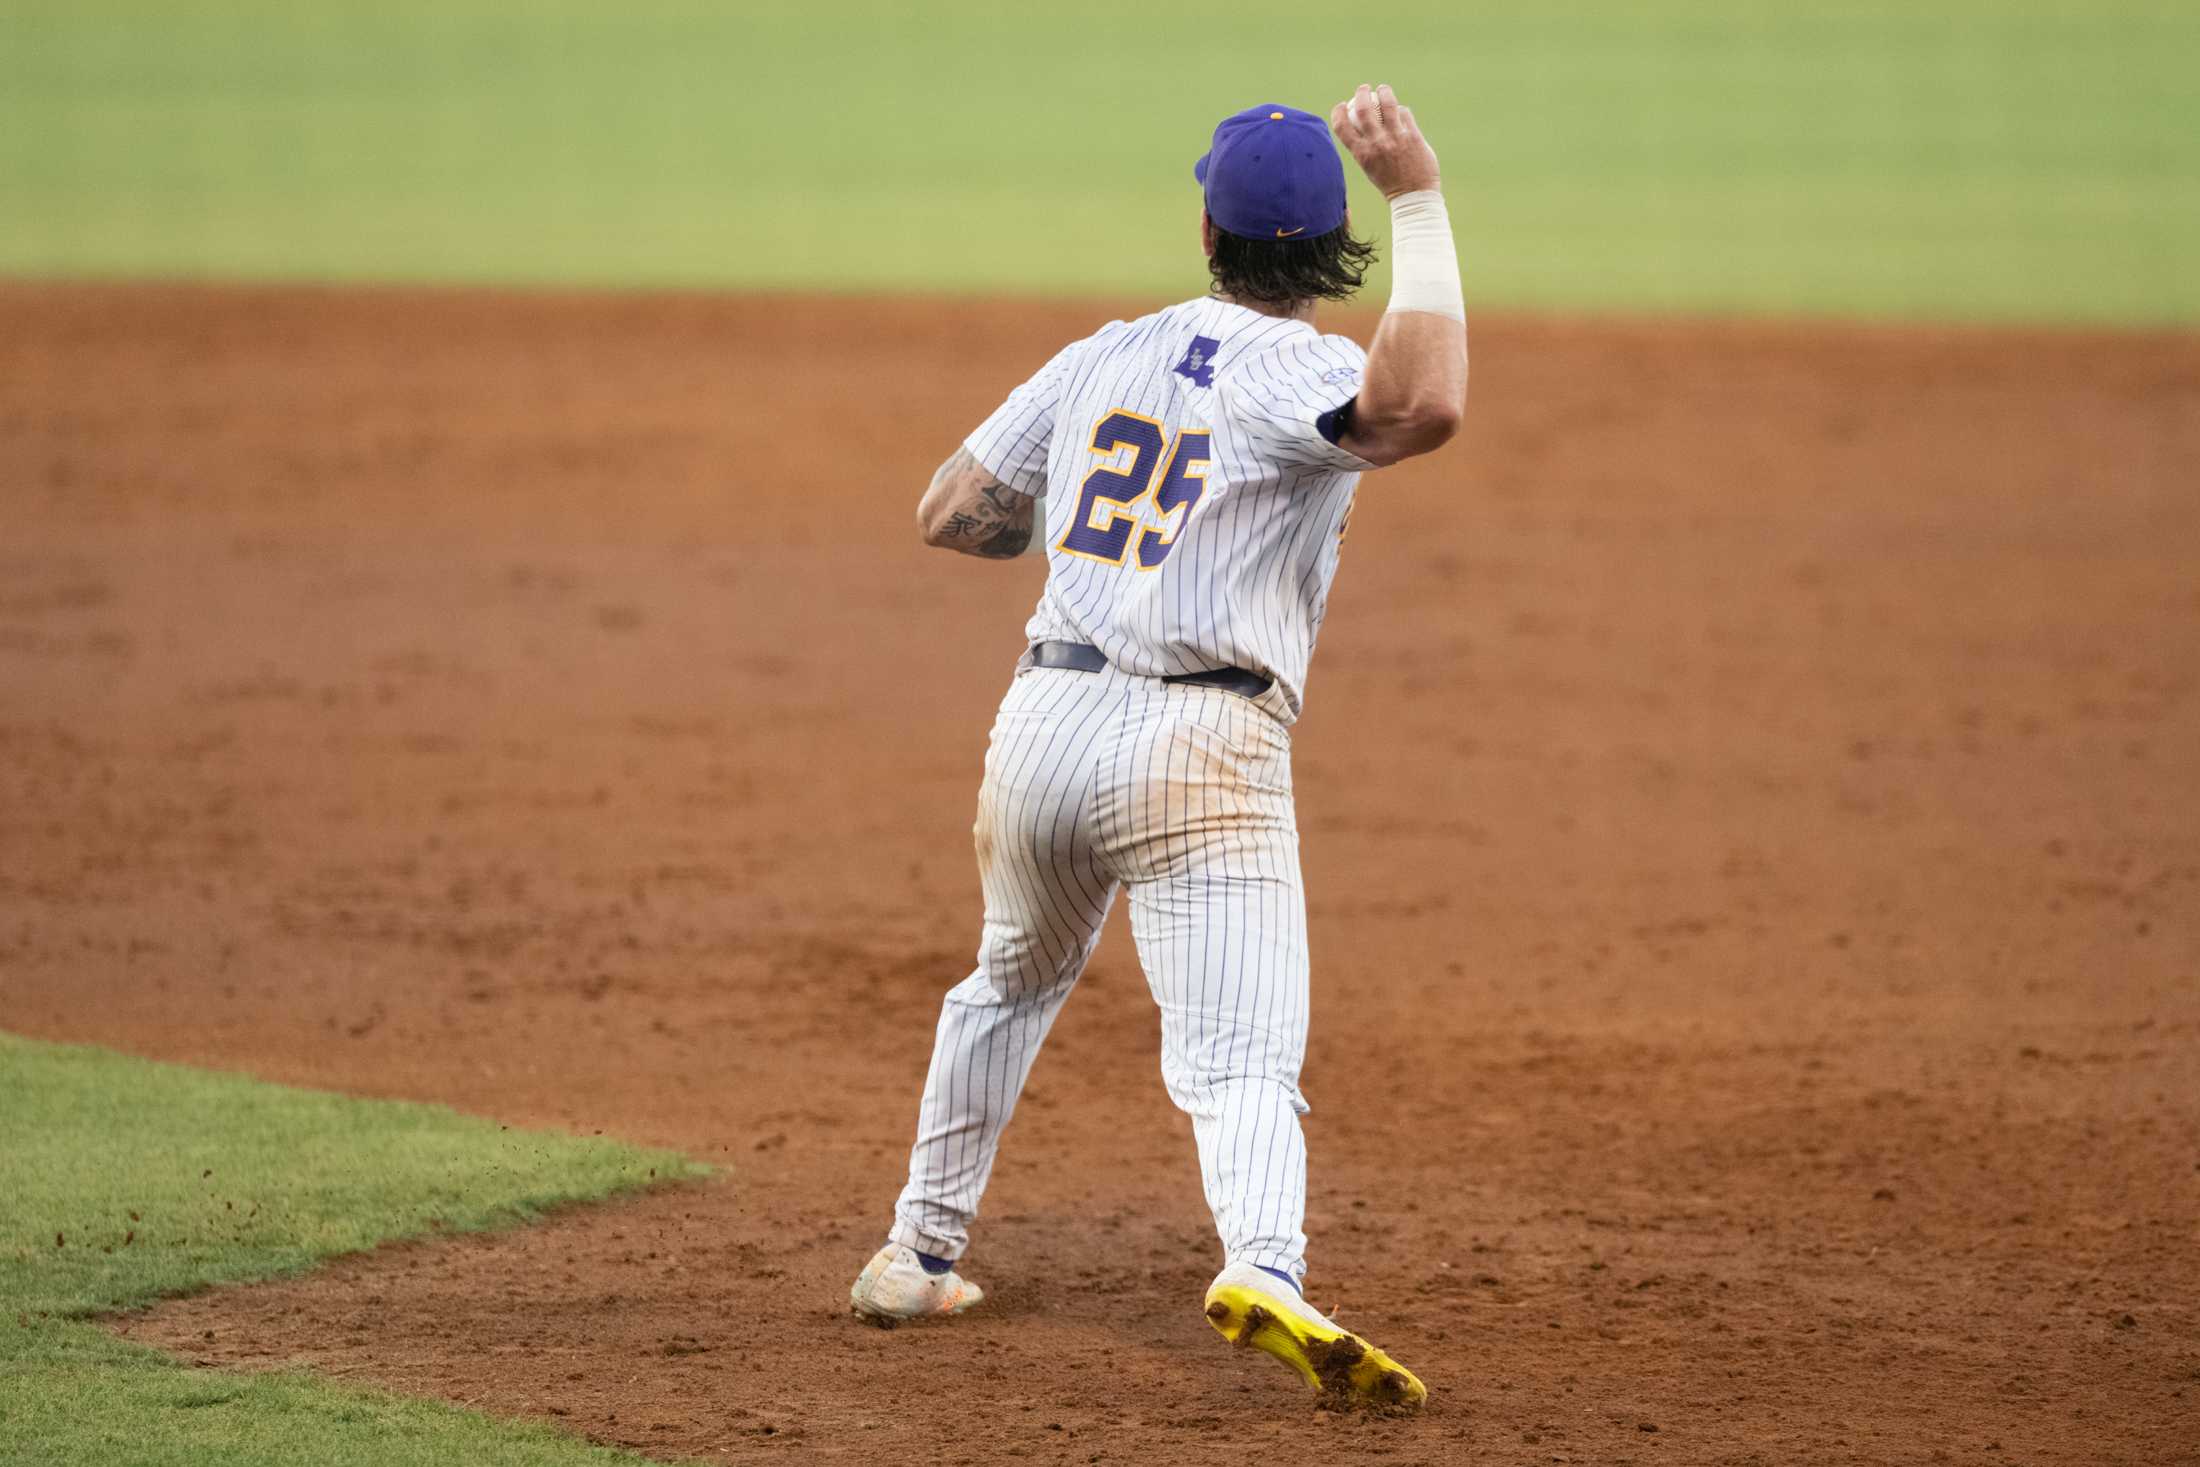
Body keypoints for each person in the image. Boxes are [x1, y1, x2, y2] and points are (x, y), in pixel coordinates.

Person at [848, 84, 1466, 1411]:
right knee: (1240, 1058)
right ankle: (1265, 1268)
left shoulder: (1103, 355)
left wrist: (1071, 525)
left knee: (1006, 981)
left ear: (1207, 226)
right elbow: (1423, 409)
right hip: (1204, 750)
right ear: (1328, 246)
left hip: (1046, 725)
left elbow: (951, 509)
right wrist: (1418, 194)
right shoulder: (1304, 373)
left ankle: (917, 1251)